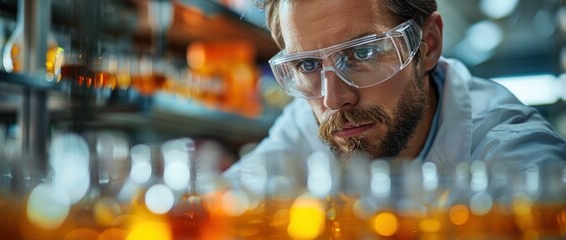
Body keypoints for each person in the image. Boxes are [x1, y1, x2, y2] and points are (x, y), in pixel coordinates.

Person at [224, 0, 566, 179]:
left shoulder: (515, 155)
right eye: (308, 65)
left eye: (362, 53)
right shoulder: (308, 120)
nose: (334, 98)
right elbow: (226, 204)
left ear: (427, 45)